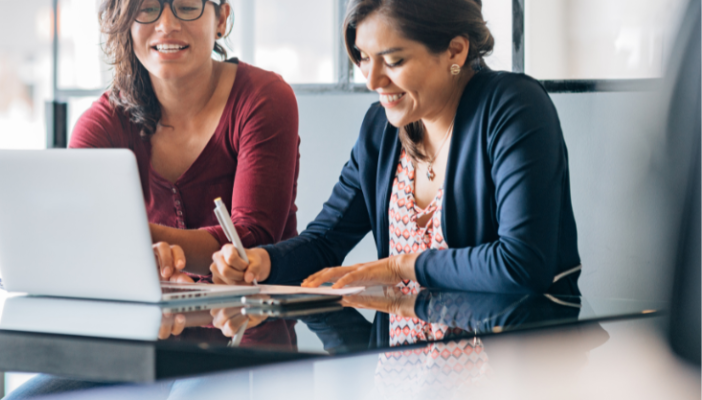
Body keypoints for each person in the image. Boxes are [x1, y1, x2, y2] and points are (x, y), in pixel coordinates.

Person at [210, 0, 582, 296]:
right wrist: (262, 261)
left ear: (455, 50)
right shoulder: (381, 129)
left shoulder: (514, 107)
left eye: (394, 60)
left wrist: (402, 266)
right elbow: (324, 243)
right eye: (364, 58)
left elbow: (521, 265)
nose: (372, 80)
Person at [71, 0, 300, 283]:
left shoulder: (264, 98)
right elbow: (78, 234)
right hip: (152, 321)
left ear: (221, 19)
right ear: (125, 22)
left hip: (257, 319)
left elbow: (251, 240)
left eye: (188, 6)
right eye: (147, 8)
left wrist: (134, 241)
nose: (167, 25)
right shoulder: (102, 124)